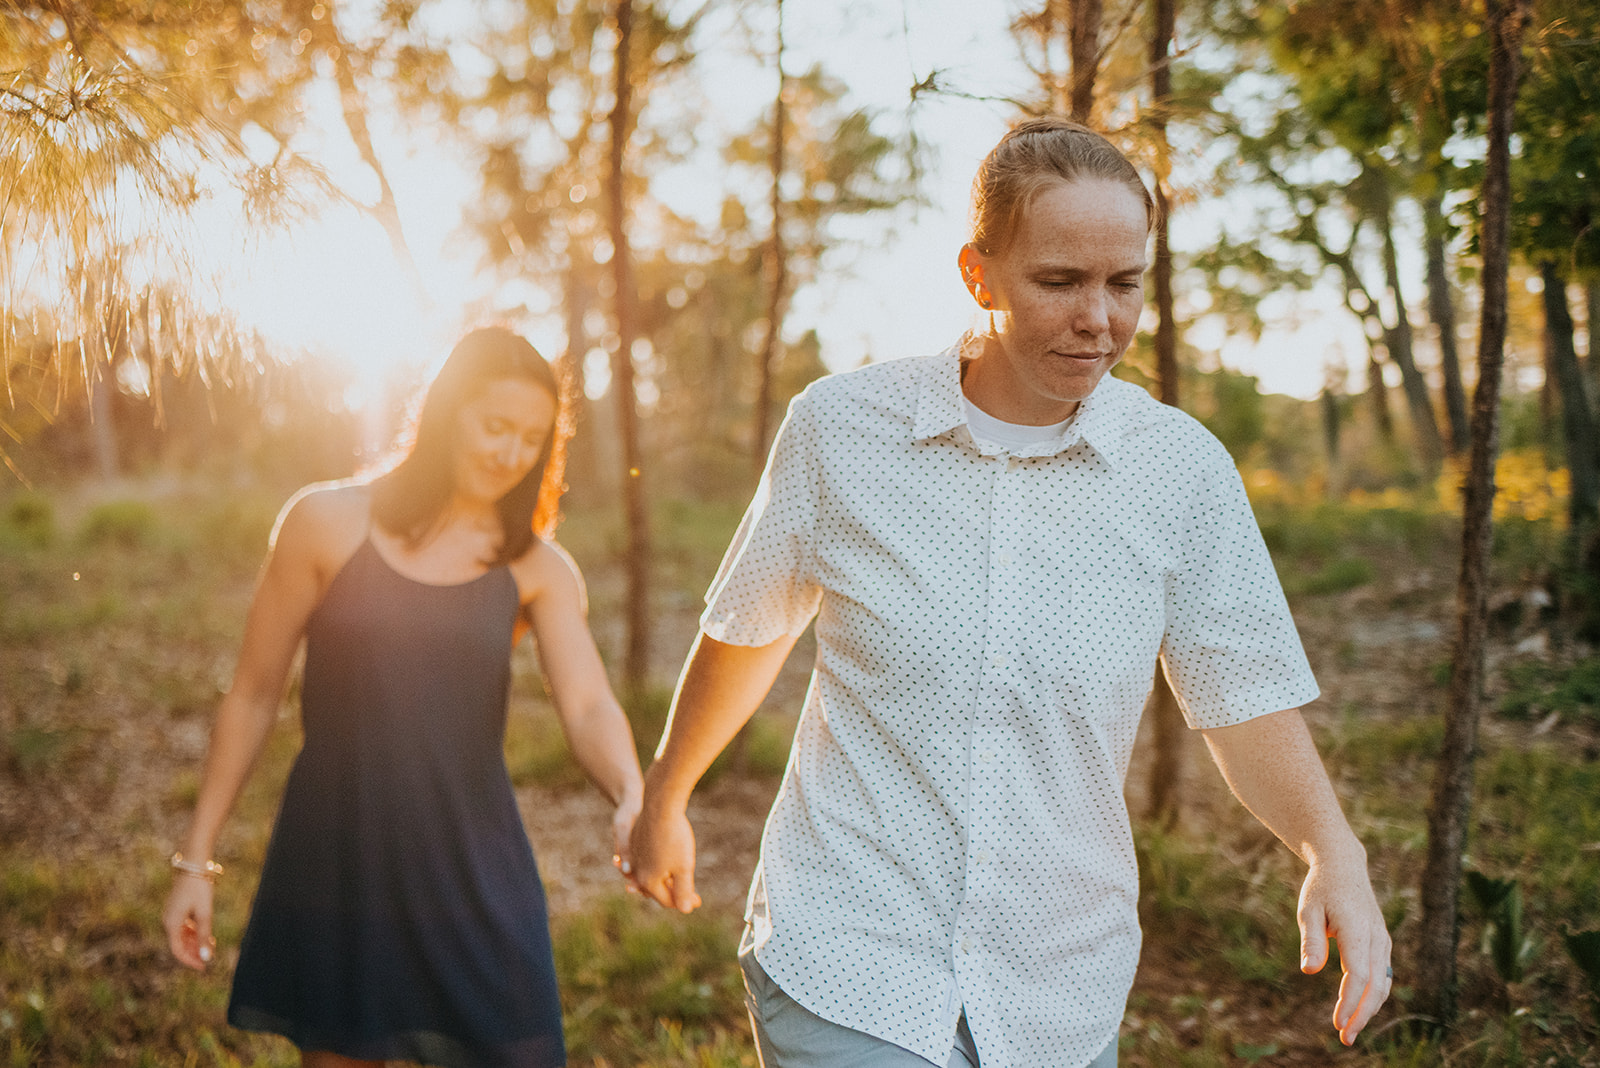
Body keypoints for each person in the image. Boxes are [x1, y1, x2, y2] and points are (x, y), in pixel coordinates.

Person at [628, 118, 1392, 1068]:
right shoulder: (841, 429)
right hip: (849, 954)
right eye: (1060, 281)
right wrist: (666, 797)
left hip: (1059, 984)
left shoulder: (1182, 472)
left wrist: (1332, 851)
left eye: (1125, 284)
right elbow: (748, 629)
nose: (1099, 319)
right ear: (978, 274)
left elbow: (1241, 695)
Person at [162, 326, 643, 1068]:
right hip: (338, 855)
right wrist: (196, 860)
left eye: (531, 438)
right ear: (447, 410)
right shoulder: (324, 522)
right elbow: (254, 695)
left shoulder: (538, 567)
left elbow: (587, 705)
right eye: (494, 426)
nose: (510, 453)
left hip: (473, 864)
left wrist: (632, 793)